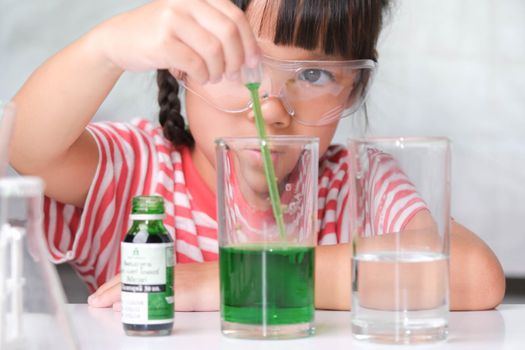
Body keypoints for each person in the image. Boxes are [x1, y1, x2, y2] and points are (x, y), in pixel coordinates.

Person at [9, 0, 505, 311]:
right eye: (240, 67)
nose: (271, 109)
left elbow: (472, 276)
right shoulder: (135, 172)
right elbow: (26, 148)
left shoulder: (353, 186)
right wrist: (106, 48)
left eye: (313, 76)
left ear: (355, 85)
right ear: (181, 66)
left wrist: (232, 281)